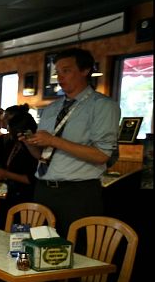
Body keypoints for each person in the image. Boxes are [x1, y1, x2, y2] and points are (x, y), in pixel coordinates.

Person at [22, 47, 120, 237]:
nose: (59, 77)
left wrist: (54, 140)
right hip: (43, 188)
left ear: (85, 70)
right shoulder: (51, 108)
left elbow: (102, 155)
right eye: (57, 72)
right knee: (37, 247)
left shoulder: (103, 106)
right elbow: (43, 156)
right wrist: (30, 143)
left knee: (76, 254)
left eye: (66, 71)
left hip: (78, 193)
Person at [0, 108, 39, 228]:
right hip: (5, 193)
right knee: (0, 229)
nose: (3, 123)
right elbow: (4, 165)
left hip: (24, 197)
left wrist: (6, 174)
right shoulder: (10, 142)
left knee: (19, 237)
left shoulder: (33, 147)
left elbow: (31, 179)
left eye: (7, 120)